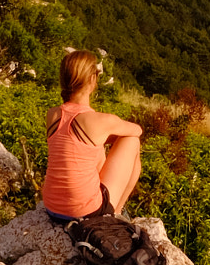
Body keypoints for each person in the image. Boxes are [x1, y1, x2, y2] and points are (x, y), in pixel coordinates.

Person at [43, 48, 142, 223]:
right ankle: (116, 212)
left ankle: (113, 209)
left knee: (93, 148)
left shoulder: (52, 115)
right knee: (131, 141)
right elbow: (137, 130)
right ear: (92, 79)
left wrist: (103, 138)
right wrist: (111, 135)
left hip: (52, 208)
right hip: (85, 211)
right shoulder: (99, 121)